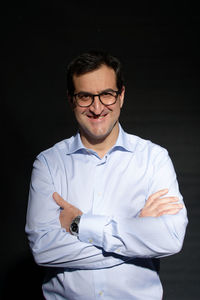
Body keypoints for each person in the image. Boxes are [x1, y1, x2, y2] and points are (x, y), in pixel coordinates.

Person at [25, 50, 188, 300]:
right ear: (71, 100)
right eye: (85, 97)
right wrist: (137, 232)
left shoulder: (154, 159)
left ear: (121, 96)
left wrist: (80, 224)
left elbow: (171, 238)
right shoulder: (48, 164)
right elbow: (44, 249)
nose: (97, 107)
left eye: (107, 95)